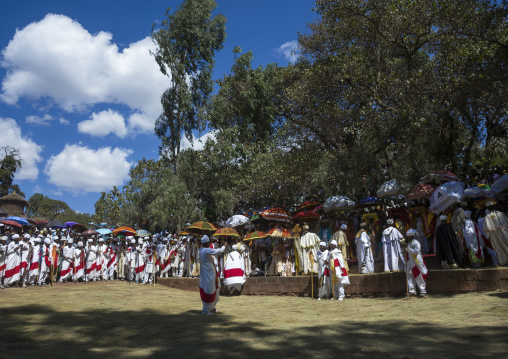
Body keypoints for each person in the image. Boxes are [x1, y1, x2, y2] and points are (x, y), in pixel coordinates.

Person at [199, 235, 225, 315]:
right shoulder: (206, 250)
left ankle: (212, 307)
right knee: (209, 290)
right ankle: (206, 309)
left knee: (213, 288)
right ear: (207, 243)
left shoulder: (201, 250)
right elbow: (218, 251)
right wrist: (224, 246)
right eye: (209, 242)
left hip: (209, 272)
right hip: (208, 273)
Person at [405, 229, 428, 298]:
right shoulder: (409, 243)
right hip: (410, 262)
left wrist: (407, 248)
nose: (408, 238)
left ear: (412, 236)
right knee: (410, 275)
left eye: (409, 236)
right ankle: (412, 291)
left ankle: (423, 291)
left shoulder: (416, 242)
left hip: (417, 262)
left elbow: (415, 252)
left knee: (419, 276)